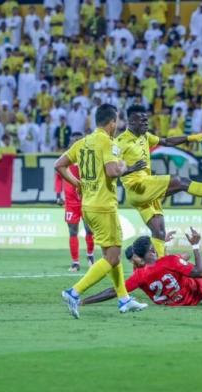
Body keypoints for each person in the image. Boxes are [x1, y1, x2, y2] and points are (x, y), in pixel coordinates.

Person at [115, 105, 202, 259]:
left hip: (145, 190)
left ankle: (159, 267)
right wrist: (131, 168)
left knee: (159, 231)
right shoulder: (120, 142)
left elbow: (166, 141)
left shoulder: (144, 136)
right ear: (132, 121)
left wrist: (191, 138)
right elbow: (111, 170)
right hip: (137, 187)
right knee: (181, 182)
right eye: (143, 120)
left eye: (147, 120)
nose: (147, 123)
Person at [55, 104, 148, 318]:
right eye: (117, 122)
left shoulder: (82, 142)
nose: (118, 126)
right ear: (112, 122)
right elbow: (113, 171)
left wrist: (76, 183)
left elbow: (60, 165)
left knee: (109, 255)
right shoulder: (108, 141)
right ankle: (74, 292)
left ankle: (124, 299)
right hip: (104, 205)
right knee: (113, 257)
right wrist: (126, 166)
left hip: (88, 205)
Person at [81, 228, 202, 307]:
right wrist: (196, 246)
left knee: (186, 267)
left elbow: (113, 291)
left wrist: (84, 301)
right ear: (152, 250)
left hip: (172, 305)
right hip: (194, 298)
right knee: (193, 271)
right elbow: (200, 271)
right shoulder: (170, 261)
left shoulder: (139, 276)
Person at [55, 132, 95, 272]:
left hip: (86, 200)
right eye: (73, 140)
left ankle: (90, 256)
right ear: (70, 142)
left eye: (78, 140)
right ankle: (75, 262)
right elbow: (59, 177)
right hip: (71, 203)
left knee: (89, 229)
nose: (75, 142)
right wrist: (58, 195)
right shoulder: (65, 158)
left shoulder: (88, 156)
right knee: (73, 231)